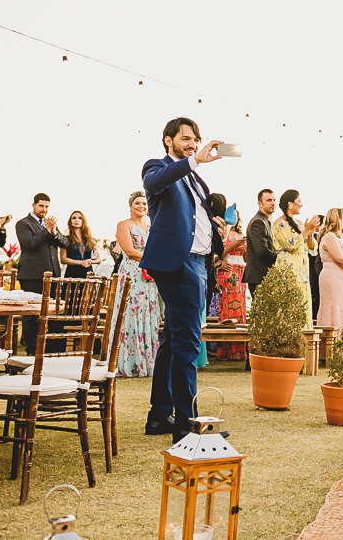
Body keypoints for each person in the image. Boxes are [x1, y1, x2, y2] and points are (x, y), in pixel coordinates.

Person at [140, 117, 225, 442]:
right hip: (179, 263)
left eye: (195, 139)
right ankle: (186, 427)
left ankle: (160, 415)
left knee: (173, 341)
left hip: (200, 263)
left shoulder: (194, 179)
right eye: (186, 138)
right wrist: (193, 160)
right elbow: (154, 183)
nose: (192, 143)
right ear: (168, 140)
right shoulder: (157, 167)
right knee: (189, 342)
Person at [115, 191, 162, 378]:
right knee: (131, 313)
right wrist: (154, 259)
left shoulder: (153, 224)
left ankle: (149, 363)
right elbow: (130, 250)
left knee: (149, 312)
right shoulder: (124, 225)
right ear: (130, 206)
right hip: (132, 273)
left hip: (150, 274)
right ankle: (130, 363)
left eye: (144, 203)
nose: (141, 206)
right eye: (137, 203)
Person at [16, 193, 69, 354]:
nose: (44, 209)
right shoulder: (23, 224)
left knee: (51, 312)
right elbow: (30, 244)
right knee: (32, 314)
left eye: (46, 206)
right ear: (33, 205)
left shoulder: (49, 224)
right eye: (41, 206)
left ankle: (47, 349)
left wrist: (54, 232)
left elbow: (65, 242)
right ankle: (31, 350)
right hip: (32, 275)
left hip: (52, 275)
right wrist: (47, 230)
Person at [272, 189, 321, 325]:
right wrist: (306, 230)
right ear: (290, 204)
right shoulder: (279, 224)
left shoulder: (299, 223)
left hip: (302, 272)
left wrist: (310, 232)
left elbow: (312, 248)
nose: (301, 204)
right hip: (288, 270)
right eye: (299, 201)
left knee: (303, 305)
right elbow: (291, 244)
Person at [316, 208, 343, 329]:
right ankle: (330, 343)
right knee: (333, 309)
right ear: (337, 219)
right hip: (332, 277)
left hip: (342, 279)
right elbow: (339, 259)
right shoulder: (329, 236)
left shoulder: (337, 237)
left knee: (342, 308)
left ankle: (342, 341)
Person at [215, 207, 247, 360]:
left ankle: (239, 351)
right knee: (227, 310)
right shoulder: (223, 234)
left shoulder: (241, 234)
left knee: (240, 311)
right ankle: (225, 351)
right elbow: (218, 254)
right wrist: (234, 245)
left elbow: (246, 258)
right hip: (227, 273)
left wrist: (247, 248)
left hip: (241, 274)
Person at [242, 189, 278, 298]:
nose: (273, 203)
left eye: (274, 200)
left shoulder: (265, 220)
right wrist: (281, 256)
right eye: (268, 200)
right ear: (260, 204)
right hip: (259, 276)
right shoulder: (258, 222)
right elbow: (262, 251)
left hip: (263, 276)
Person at [59, 211, 101, 279]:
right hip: (71, 275)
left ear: (83, 221)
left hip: (88, 274)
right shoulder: (65, 239)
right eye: (74, 218)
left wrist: (90, 261)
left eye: (80, 218)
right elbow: (63, 259)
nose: (77, 220)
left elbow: (99, 259)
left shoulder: (90, 240)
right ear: (70, 221)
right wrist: (80, 262)